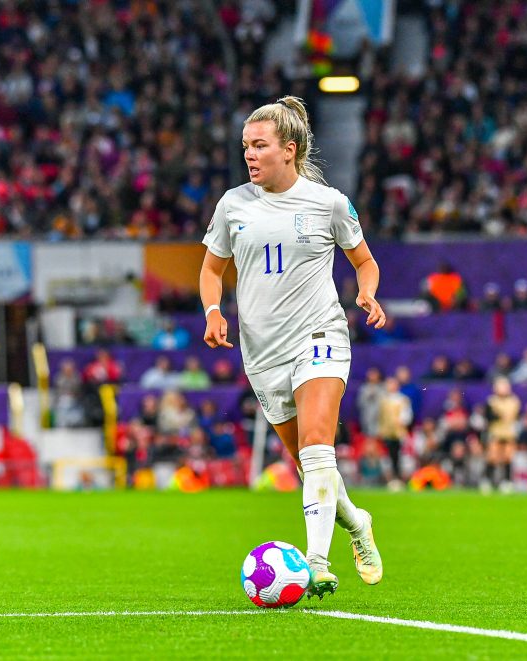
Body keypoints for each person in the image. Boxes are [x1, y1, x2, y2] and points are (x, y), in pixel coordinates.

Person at [199, 96, 384, 598]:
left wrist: (366, 290)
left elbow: (364, 260)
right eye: (245, 147)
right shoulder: (233, 206)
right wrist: (213, 312)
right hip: (262, 354)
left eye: (259, 146)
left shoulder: (328, 203)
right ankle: (357, 521)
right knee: (309, 465)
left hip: (319, 335)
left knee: (318, 447)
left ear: (290, 148)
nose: (250, 155)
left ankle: (316, 562)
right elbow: (211, 270)